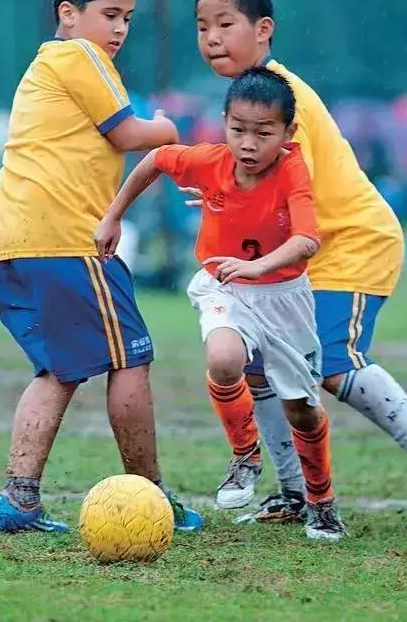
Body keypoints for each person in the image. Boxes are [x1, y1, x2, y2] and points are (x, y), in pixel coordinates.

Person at [192, 0, 407, 523]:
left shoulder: (283, 99)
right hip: (304, 253)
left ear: (264, 29)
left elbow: (286, 189)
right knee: (258, 364)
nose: (212, 38)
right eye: (202, 27)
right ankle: (295, 493)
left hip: (351, 241)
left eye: (225, 24)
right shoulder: (253, 98)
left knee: (329, 362)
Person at [0, 0, 202, 534]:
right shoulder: (81, 56)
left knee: (58, 368)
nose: (120, 29)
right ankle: (152, 496)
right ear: (68, 13)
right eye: (110, 14)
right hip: (67, 240)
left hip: (17, 241)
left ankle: (18, 500)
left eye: (128, 18)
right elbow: (129, 133)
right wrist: (169, 128)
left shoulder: (47, 63)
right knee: (131, 355)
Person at [97, 67, 346, 540]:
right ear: (224, 123)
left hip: (284, 298)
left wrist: (257, 267)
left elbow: (308, 240)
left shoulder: (293, 169)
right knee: (225, 359)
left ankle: (322, 500)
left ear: (288, 133)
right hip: (223, 286)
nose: (248, 144)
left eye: (263, 133)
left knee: (301, 409)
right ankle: (245, 455)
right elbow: (155, 159)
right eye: (238, 130)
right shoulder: (210, 160)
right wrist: (114, 217)